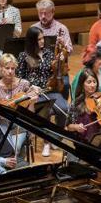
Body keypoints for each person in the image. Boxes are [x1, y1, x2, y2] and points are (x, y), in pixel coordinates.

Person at [16, 27, 69, 157]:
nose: (42, 41)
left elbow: (56, 72)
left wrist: (60, 61)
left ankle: (55, 138)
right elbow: (19, 78)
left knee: (64, 109)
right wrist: (31, 87)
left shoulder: (49, 53)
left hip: (50, 90)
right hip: (34, 94)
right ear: (32, 41)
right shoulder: (24, 56)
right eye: (39, 39)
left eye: (42, 38)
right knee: (45, 111)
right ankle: (46, 143)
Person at [67, 69, 101, 143]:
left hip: (100, 139)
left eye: (94, 82)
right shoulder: (77, 103)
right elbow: (68, 126)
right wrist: (76, 127)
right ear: (82, 84)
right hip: (83, 142)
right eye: (89, 82)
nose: (93, 85)